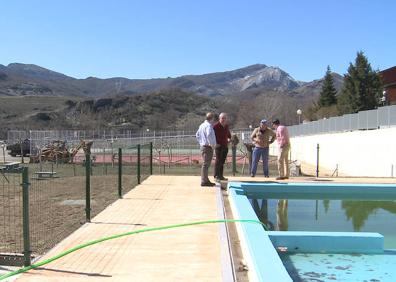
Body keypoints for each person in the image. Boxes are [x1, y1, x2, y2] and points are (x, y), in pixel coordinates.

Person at [196, 112, 217, 186]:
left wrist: (201, 142)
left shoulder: (201, 125)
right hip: (207, 147)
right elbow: (208, 135)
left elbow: (197, 135)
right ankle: (204, 181)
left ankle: (206, 179)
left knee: (206, 164)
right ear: (212, 118)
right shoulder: (208, 126)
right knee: (206, 164)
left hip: (203, 146)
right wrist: (212, 145)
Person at [213, 112, 231, 181]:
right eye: (222, 118)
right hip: (218, 146)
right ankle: (216, 175)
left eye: (224, 118)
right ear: (219, 118)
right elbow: (212, 136)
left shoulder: (226, 126)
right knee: (218, 161)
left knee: (222, 161)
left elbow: (228, 135)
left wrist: (229, 139)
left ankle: (221, 176)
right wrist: (215, 143)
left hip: (225, 146)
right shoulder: (215, 126)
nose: (223, 119)